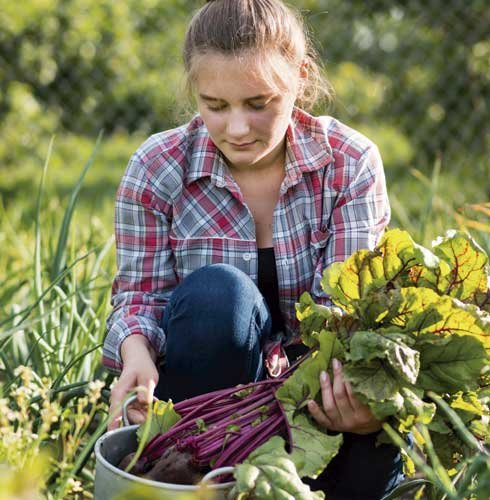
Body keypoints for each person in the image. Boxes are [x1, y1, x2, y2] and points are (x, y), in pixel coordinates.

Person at [103, 0, 404, 497]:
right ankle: (196, 473)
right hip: (210, 405)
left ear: (301, 78)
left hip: (318, 408)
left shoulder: (349, 163)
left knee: (364, 462)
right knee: (219, 297)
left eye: (258, 102)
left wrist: (361, 407)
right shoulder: (157, 168)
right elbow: (139, 298)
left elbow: (345, 320)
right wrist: (135, 354)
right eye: (215, 106)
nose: (237, 129)